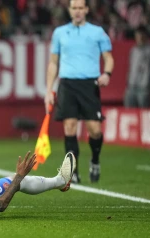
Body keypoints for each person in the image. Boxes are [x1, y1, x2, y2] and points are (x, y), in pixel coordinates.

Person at [44, 0, 114, 183]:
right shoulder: (59, 33)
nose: (77, 11)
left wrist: (107, 74)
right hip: (67, 83)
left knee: (95, 130)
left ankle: (95, 160)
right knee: (69, 127)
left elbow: (108, 58)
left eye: (80, 8)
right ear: (69, 10)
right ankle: (73, 171)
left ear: (86, 10)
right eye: (74, 8)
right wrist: (48, 90)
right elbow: (53, 62)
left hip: (89, 85)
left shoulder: (97, 32)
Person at [124, 26, 150, 108]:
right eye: (138, 36)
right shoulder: (133, 51)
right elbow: (131, 67)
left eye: (142, 36)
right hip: (131, 87)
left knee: (144, 113)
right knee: (129, 112)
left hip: (144, 88)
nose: (140, 38)